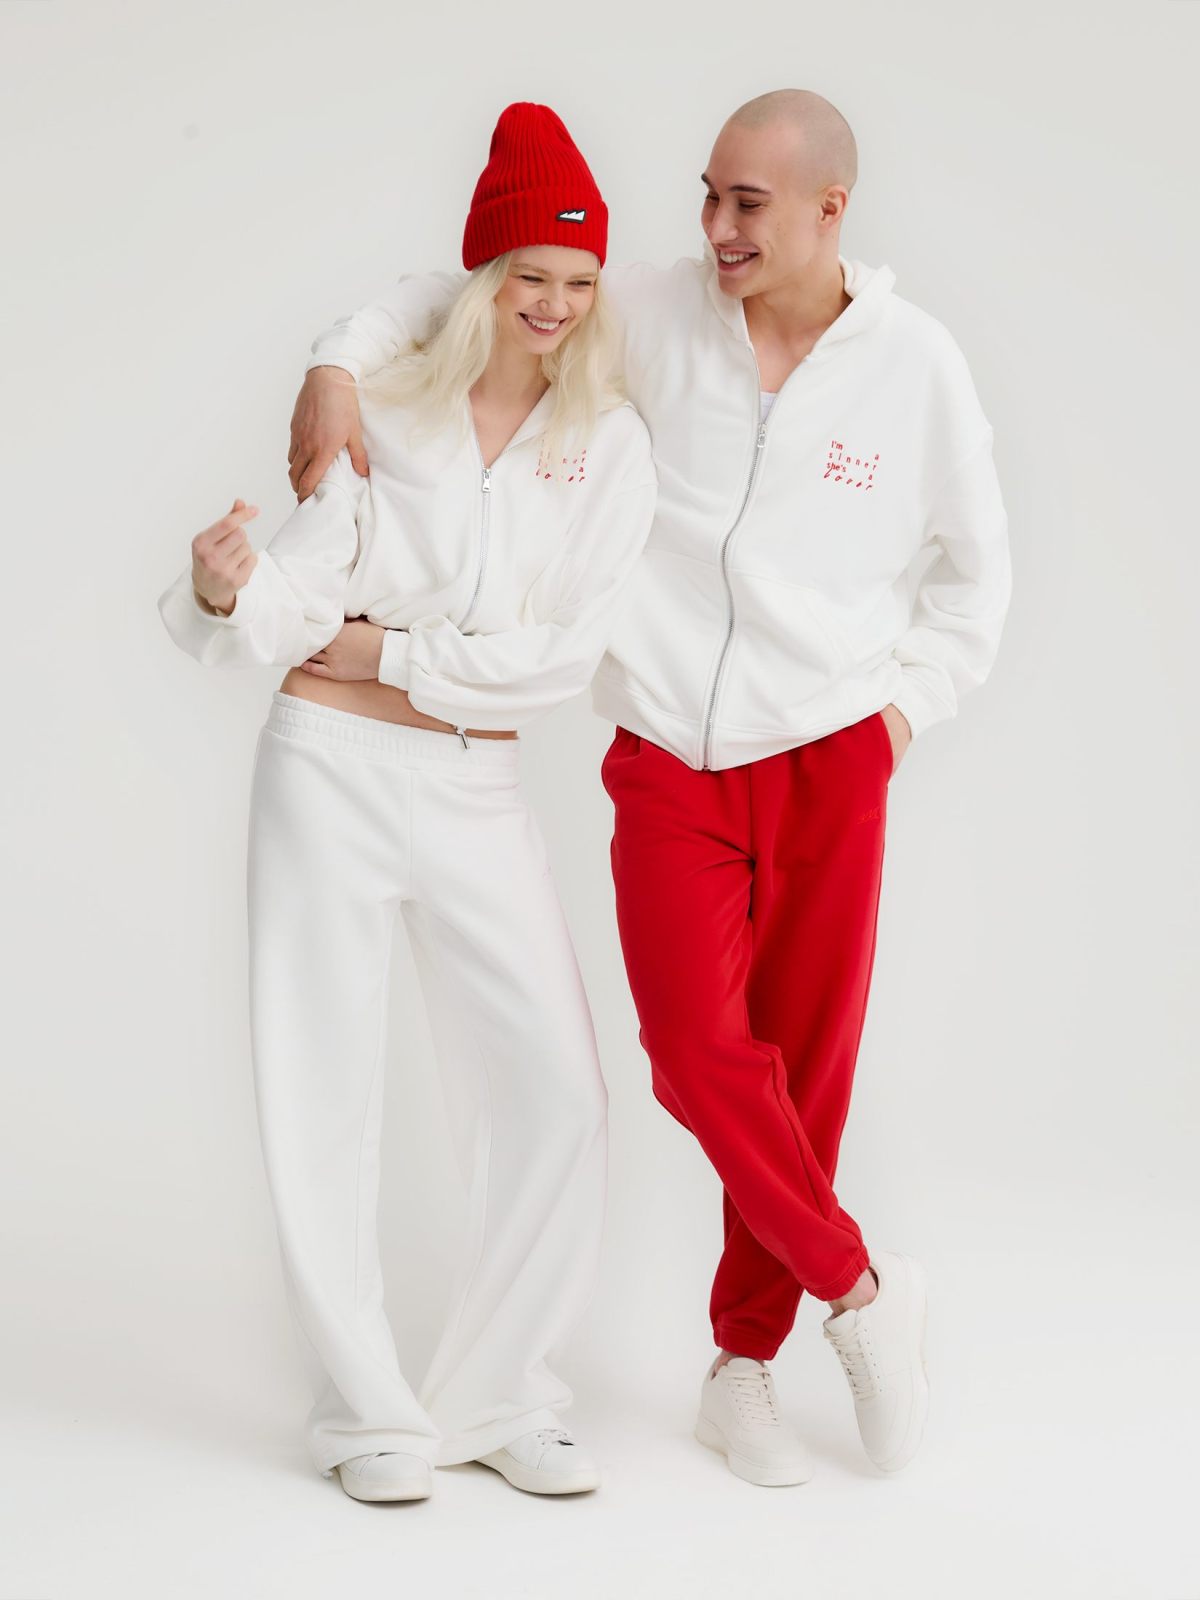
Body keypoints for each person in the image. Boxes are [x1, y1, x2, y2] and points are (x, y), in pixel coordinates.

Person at [289, 88, 1012, 1484]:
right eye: (708, 196)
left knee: (803, 1073)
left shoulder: (918, 368)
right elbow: (473, 287)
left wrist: (896, 721)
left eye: (748, 203)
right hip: (672, 752)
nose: (716, 226)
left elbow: (977, 580)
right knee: (693, 1053)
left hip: (830, 755)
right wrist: (334, 361)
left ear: (830, 210)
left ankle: (743, 1368)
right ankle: (863, 1290)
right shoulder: (656, 318)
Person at [157, 102, 657, 1503]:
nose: (553, 305)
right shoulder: (391, 407)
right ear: (482, 279)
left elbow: (558, 660)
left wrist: (387, 654)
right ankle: (366, 1414)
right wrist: (226, 591)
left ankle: (501, 1393)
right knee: (319, 1078)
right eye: (529, 276)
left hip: (472, 786)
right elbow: (298, 600)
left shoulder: (610, 443)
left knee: (557, 1089)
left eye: (577, 280)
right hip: (323, 770)